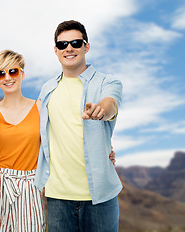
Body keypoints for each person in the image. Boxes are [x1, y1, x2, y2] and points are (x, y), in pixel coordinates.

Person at [35, 20, 123, 232]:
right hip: (58, 196)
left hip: (100, 195)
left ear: (86, 46)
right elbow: (35, 132)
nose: (69, 48)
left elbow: (110, 104)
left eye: (75, 42)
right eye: (63, 44)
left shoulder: (107, 82)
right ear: (56, 51)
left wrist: (100, 110)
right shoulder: (47, 89)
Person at [0, 50, 46, 232]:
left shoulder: (39, 108)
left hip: (29, 188)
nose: (7, 77)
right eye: (0, 73)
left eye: (12, 71)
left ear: (22, 74)